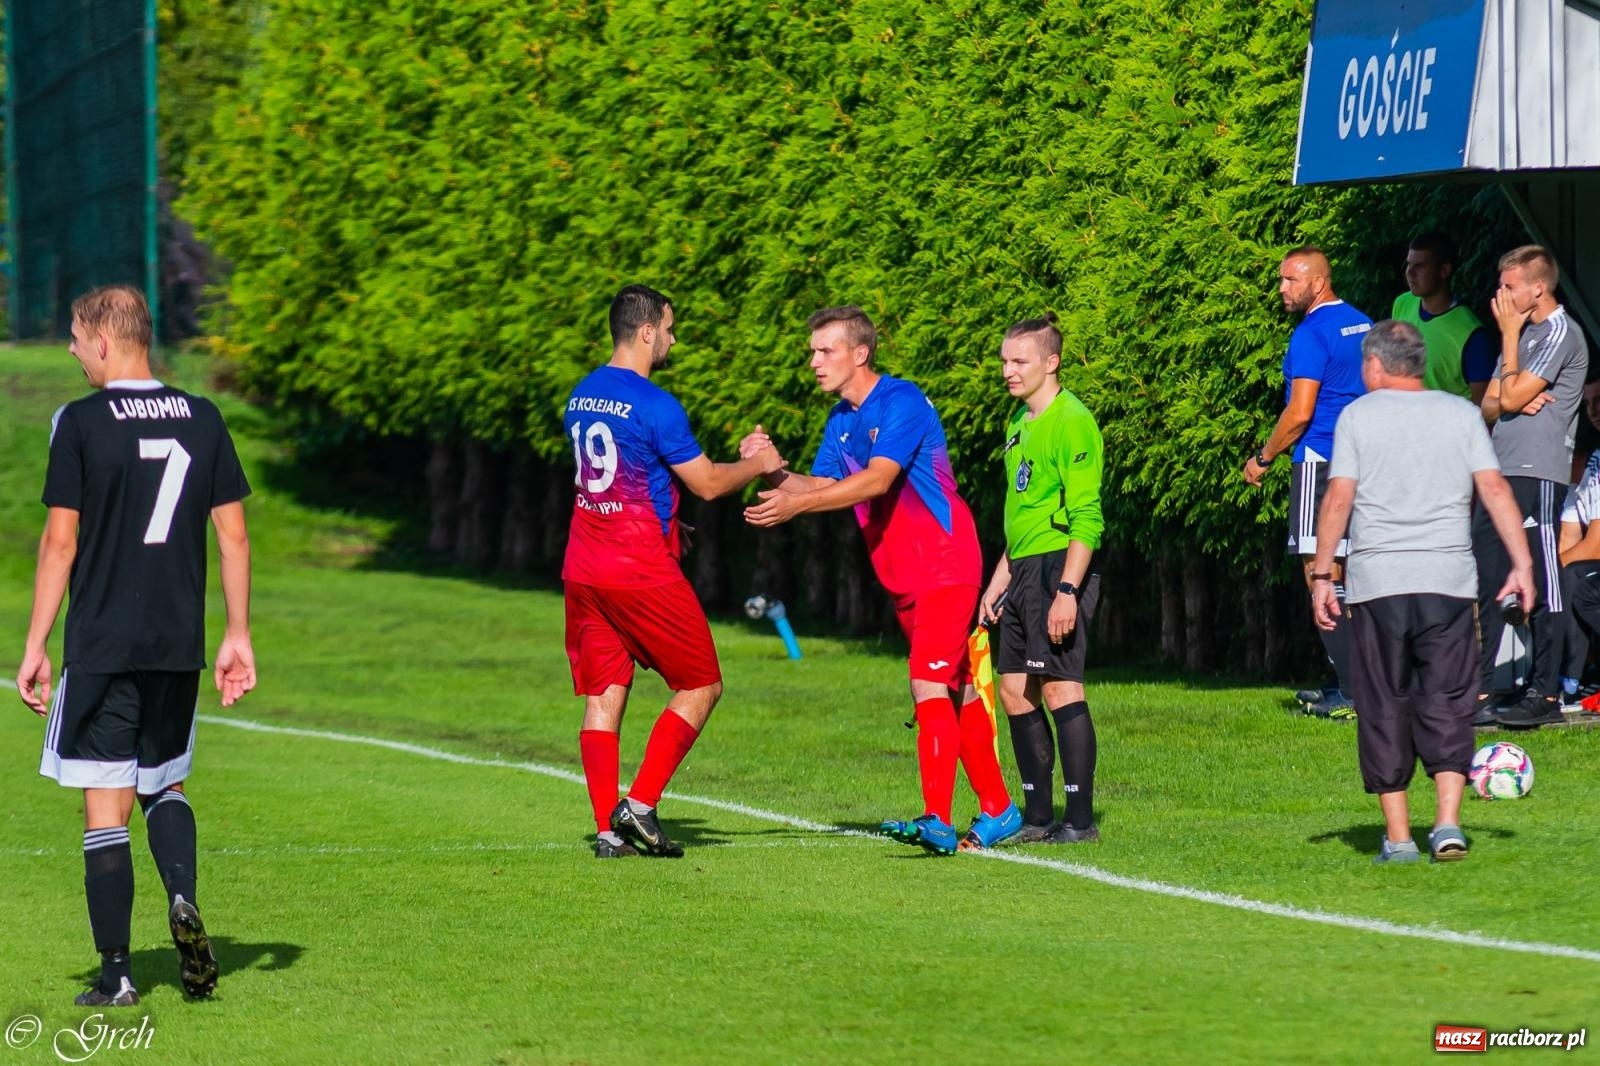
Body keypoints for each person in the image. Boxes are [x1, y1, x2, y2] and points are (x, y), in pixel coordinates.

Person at [18, 285, 256, 1006]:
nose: (71, 351)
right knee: (165, 783)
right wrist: (237, 635)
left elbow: (60, 542)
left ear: (103, 340)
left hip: (103, 640)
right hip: (178, 643)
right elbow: (234, 535)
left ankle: (117, 974)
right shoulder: (204, 416)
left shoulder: (79, 422)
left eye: (74, 338)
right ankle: (182, 896)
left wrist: (36, 643)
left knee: (105, 803)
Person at [741, 306, 1020, 854]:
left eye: (826, 350)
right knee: (958, 688)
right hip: (904, 576)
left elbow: (876, 481)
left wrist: (796, 504)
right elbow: (819, 485)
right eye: (813, 351)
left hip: (946, 561)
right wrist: (770, 468)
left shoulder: (901, 401)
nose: (814, 361)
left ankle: (936, 818)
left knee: (926, 683)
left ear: (860, 353)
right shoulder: (840, 420)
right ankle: (998, 807)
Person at [564, 285, 782, 859]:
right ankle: (639, 804)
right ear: (646, 332)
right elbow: (707, 483)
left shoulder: (582, 394)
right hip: (637, 569)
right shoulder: (655, 404)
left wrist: (667, 513)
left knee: (604, 694)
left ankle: (607, 833)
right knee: (702, 684)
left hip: (584, 566)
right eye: (668, 328)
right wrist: (759, 462)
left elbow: (621, 477)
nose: (673, 339)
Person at [1310, 320, 1535, 864]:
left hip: (1379, 584)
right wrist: (1523, 564)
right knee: (1448, 699)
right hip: (1447, 583)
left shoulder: (1358, 416)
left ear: (1374, 365)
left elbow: (1339, 497)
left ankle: (1399, 838)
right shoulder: (1461, 413)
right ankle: (1448, 825)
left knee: (1383, 702)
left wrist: (1321, 574)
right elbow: (1494, 489)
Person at [979, 314, 1106, 844]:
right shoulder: (1018, 423)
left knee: (1059, 687)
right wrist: (997, 580)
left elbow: (1087, 516)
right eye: (1005, 361)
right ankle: (1036, 817)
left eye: (1020, 361)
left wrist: (1068, 591)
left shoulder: (1072, 420)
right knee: (1013, 689)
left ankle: (1079, 821)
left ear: (1051, 362)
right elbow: (1022, 512)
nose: (1008, 371)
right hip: (1023, 568)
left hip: (1060, 567)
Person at [1243, 246, 1372, 716]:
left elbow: (1300, 413)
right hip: (1361, 458)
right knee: (1350, 570)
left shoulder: (1310, 333)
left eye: (1291, 280)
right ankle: (1352, 679)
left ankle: (1353, 690)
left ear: (1318, 283)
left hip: (1319, 459)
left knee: (1319, 569)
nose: (1282, 289)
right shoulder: (1363, 323)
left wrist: (1263, 457)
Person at [1474, 245, 1590, 728]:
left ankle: (1546, 693)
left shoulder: (1561, 332)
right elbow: (1489, 405)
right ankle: (1482, 691)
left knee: (1542, 581)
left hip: (1537, 470)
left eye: (1509, 287)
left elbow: (1511, 395)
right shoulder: (1524, 335)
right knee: (1487, 576)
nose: (1500, 296)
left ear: (1537, 288)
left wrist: (1508, 343)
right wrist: (1511, 391)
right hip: (1499, 469)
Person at [1391, 231, 1495, 403]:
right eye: (1409, 264)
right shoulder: (1402, 303)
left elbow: (1483, 407)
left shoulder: (1471, 335)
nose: (1410, 272)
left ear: (1444, 270)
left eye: (1419, 266)